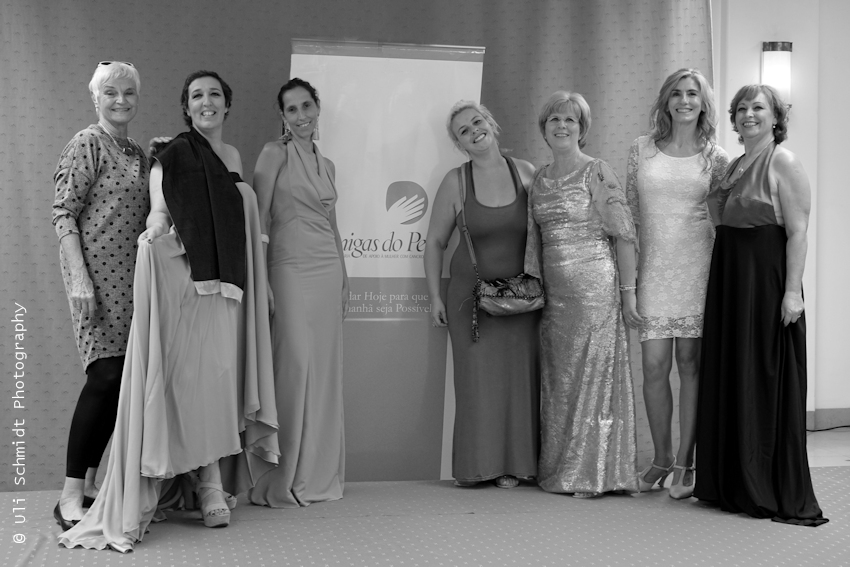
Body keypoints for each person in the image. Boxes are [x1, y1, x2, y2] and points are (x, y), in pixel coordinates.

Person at [59, 70, 279, 551]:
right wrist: (153, 232)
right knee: (130, 379)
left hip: (228, 287)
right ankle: (87, 491)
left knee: (215, 383)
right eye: (197, 95)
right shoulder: (169, 153)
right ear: (186, 106)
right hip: (180, 281)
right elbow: (156, 210)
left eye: (215, 94)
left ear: (227, 104)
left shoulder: (227, 156)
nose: (207, 101)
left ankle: (203, 483)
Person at [694, 84, 827, 526]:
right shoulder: (734, 165)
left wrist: (792, 292)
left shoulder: (783, 160)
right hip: (730, 279)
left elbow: (798, 231)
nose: (748, 114)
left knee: (761, 374)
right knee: (734, 370)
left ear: (775, 117)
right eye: (741, 109)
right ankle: (731, 482)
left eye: (758, 108)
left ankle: (763, 485)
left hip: (765, 280)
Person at [51, 61, 150, 530]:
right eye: (111, 92)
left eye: (128, 92)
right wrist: (78, 278)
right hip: (96, 282)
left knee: (120, 384)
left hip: (134, 284)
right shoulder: (86, 143)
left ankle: (90, 485)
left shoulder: (137, 152)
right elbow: (63, 213)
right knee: (105, 376)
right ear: (95, 98)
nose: (120, 100)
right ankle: (69, 495)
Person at [526, 91, 639, 497]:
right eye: (554, 119)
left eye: (570, 120)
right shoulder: (538, 179)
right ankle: (562, 467)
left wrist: (628, 294)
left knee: (594, 380)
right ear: (544, 128)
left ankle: (592, 472)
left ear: (582, 128)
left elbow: (624, 234)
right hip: (554, 300)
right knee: (561, 382)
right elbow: (533, 242)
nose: (561, 126)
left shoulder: (597, 171)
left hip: (595, 292)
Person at [423, 101, 540, 489]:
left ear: (491, 123)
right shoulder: (455, 182)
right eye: (463, 130)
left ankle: (519, 466)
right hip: (470, 303)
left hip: (522, 300)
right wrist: (435, 296)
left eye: (477, 122)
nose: (474, 131)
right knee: (476, 385)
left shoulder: (526, 172)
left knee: (520, 383)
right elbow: (434, 242)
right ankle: (478, 468)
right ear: (459, 144)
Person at [625, 68, 728, 498]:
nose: (684, 100)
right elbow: (629, 215)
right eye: (677, 94)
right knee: (653, 366)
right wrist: (628, 281)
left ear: (703, 103)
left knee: (690, 364)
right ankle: (661, 459)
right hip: (652, 269)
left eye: (692, 94)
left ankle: (687, 461)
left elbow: (723, 220)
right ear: (666, 101)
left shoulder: (717, 158)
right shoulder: (641, 150)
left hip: (698, 269)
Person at [248, 78, 348, 508]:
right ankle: (280, 475)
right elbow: (259, 215)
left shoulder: (328, 165)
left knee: (323, 371)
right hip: (287, 265)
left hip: (327, 268)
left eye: (307, 106)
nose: (302, 115)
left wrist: (344, 275)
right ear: (283, 116)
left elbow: (332, 225)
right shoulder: (274, 153)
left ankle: (315, 474)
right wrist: (262, 276)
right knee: (293, 366)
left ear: (317, 108)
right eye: (292, 109)